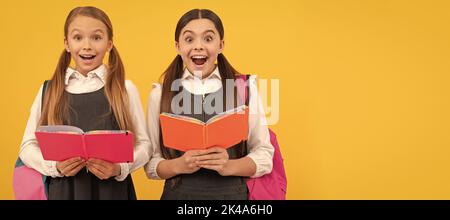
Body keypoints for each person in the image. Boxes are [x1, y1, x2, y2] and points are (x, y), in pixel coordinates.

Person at [19, 6, 150, 199]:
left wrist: (119, 168)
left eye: (96, 37)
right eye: (78, 37)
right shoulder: (49, 90)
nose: (87, 45)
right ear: (67, 43)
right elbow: (27, 146)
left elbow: (145, 145)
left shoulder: (124, 88)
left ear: (109, 44)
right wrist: (55, 167)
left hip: (113, 192)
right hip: (64, 192)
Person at [145, 9, 274, 200]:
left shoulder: (244, 88)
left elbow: (264, 155)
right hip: (179, 197)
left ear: (221, 45)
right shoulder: (160, 93)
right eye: (189, 39)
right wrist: (179, 165)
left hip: (232, 197)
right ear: (178, 46)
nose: (198, 46)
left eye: (208, 38)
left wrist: (228, 165)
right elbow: (151, 164)